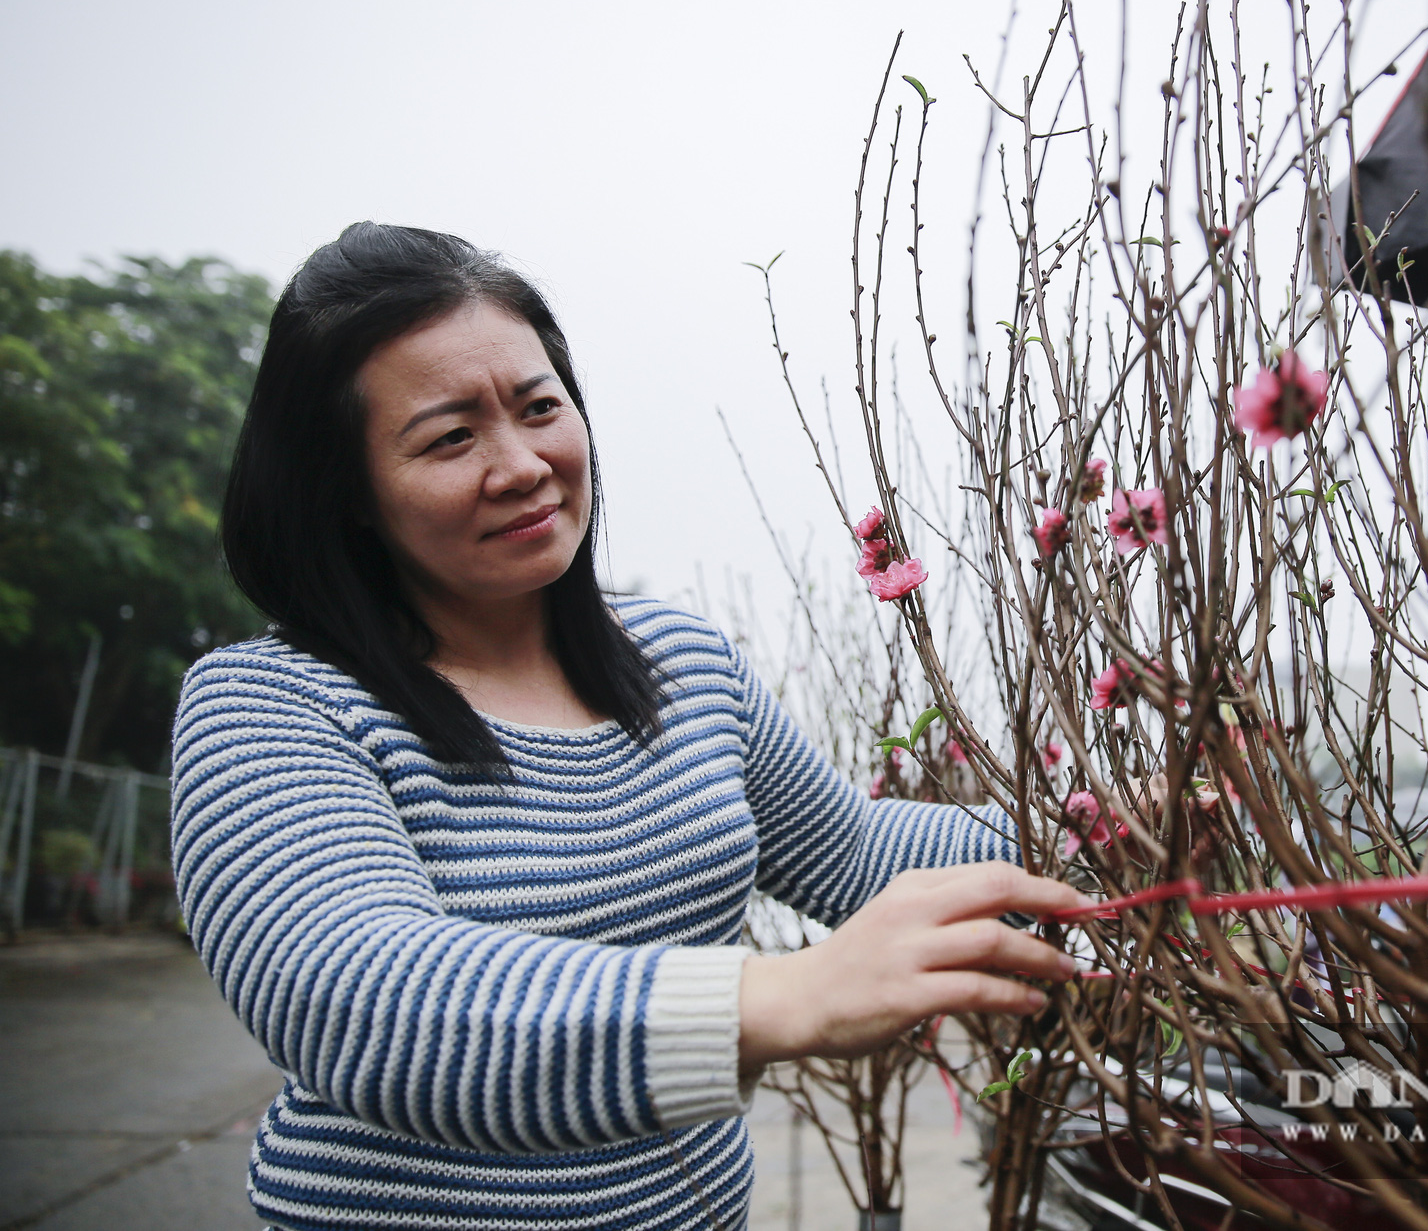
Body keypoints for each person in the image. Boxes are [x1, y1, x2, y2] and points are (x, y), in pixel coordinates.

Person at [170, 221, 1079, 1230]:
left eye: (538, 406)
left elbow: (858, 852)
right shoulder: (267, 706)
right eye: (450, 436)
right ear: (346, 492)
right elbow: (358, 994)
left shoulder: (679, 662)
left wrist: (1092, 843)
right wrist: (777, 998)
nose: (521, 464)